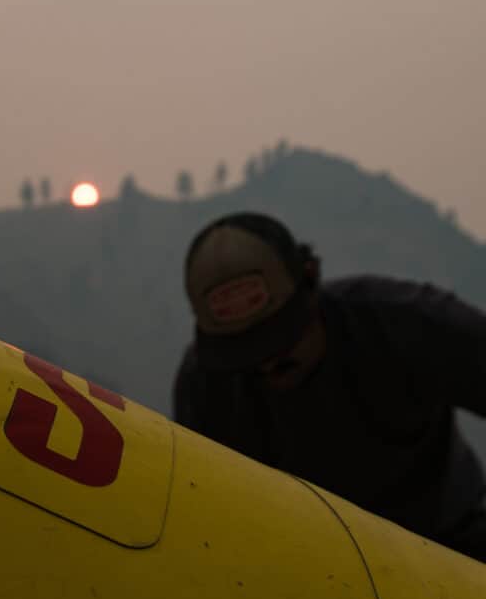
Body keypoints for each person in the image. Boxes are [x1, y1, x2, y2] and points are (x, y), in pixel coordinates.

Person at [173, 211, 486, 563]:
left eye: (281, 346)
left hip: (455, 548)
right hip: (311, 569)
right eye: (246, 360)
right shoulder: (204, 385)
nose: (267, 366)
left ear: (310, 282)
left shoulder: (405, 323)